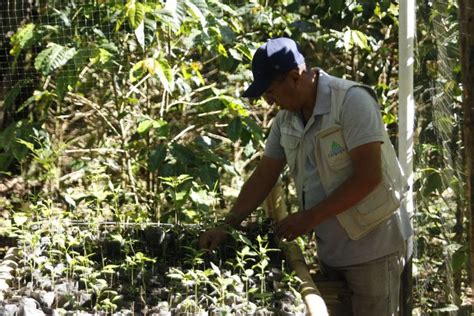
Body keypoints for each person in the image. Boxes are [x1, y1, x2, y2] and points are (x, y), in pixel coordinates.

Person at [199, 37, 413, 316]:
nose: (268, 100)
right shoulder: (285, 120)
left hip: (374, 251)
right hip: (332, 252)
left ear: (294, 76)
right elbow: (265, 174)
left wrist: (309, 218)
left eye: (271, 91)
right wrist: (228, 224)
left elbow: (368, 177)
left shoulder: (351, 102)